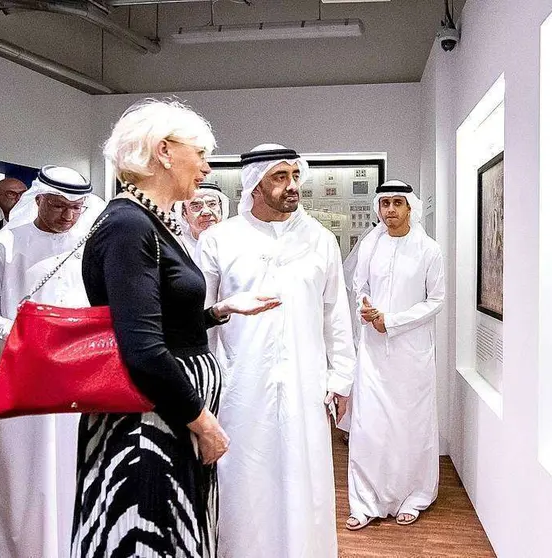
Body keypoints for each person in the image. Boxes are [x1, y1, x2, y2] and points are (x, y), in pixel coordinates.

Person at [74, 100, 278, 558]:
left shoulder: (151, 221)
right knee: (146, 540)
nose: (207, 167)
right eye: (200, 153)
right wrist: (204, 423)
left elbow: (159, 322)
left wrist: (218, 310)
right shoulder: (129, 225)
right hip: (148, 424)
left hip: (167, 414)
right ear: (164, 151)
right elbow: (143, 351)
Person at [197, 143, 356, 558]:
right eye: (279, 177)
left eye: (295, 176)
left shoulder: (319, 240)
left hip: (306, 387)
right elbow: (200, 318)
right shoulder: (220, 239)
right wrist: (203, 390)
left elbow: (336, 315)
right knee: (244, 482)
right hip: (239, 389)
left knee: (306, 483)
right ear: (254, 184)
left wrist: (341, 378)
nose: (291, 186)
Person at [0, 165, 105, 558]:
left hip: (75, 377)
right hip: (19, 373)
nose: (67, 217)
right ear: (38, 199)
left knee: (75, 465)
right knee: (21, 471)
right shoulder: (4, 245)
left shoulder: (90, 246)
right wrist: (31, 338)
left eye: (76, 208)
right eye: (58, 206)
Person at [345, 180, 445, 530]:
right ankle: (365, 500)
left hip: (411, 353)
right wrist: (366, 308)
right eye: (384, 203)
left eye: (397, 203)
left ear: (410, 208)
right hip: (373, 350)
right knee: (369, 423)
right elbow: (360, 287)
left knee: (410, 425)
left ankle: (414, 495)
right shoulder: (370, 245)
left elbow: (436, 300)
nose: (390, 210)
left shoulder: (428, 249)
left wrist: (393, 321)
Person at [173, 181, 230, 253]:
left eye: (212, 204)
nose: (206, 212)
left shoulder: (235, 242)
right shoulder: (176, 248)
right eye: (196, 206)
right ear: (184, 213)